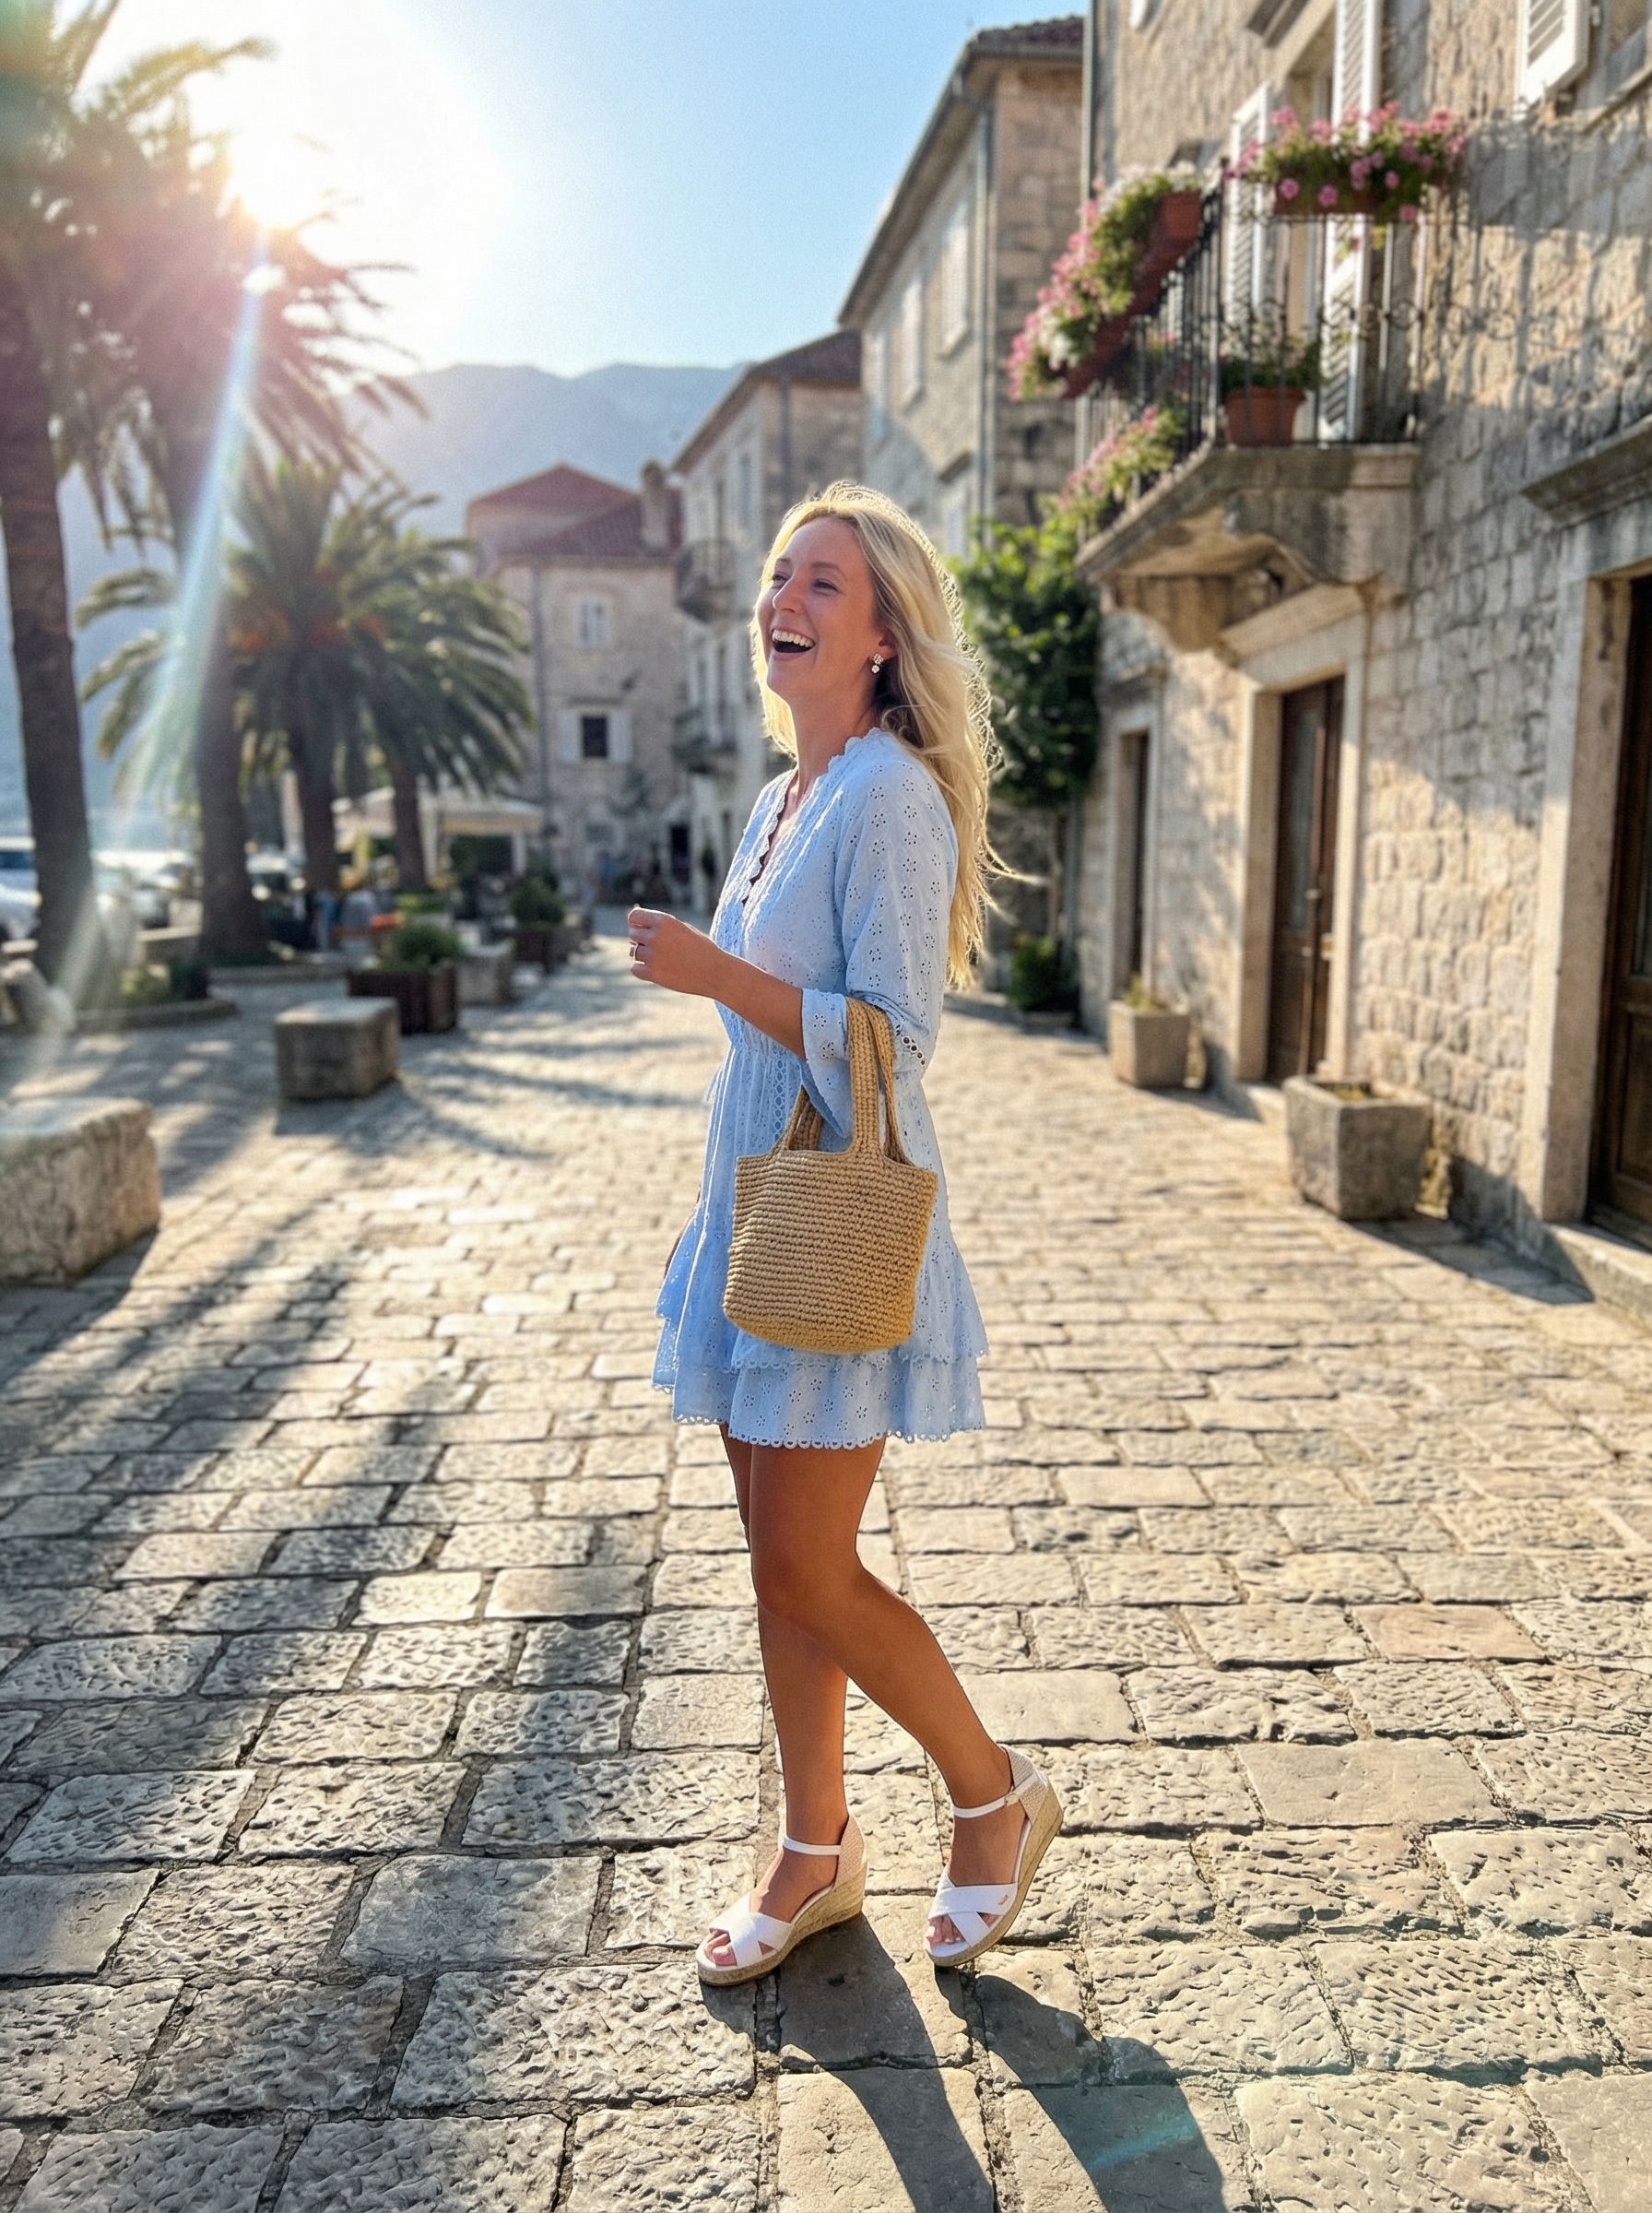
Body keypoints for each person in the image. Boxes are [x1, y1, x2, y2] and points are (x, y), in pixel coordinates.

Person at [627, 482, 1062, 1987]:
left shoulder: (885, 796)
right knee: (773, 1565)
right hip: (755, 1218)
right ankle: (816, 1851)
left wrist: (710, 976)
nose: (784, 599)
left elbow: (895, 1037)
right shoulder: (782, 798)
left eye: (823, 579)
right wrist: (719, 980)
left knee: (811, 1571)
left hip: (833, 1218)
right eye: (777, 575)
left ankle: (992, 1793)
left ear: (882, 635)